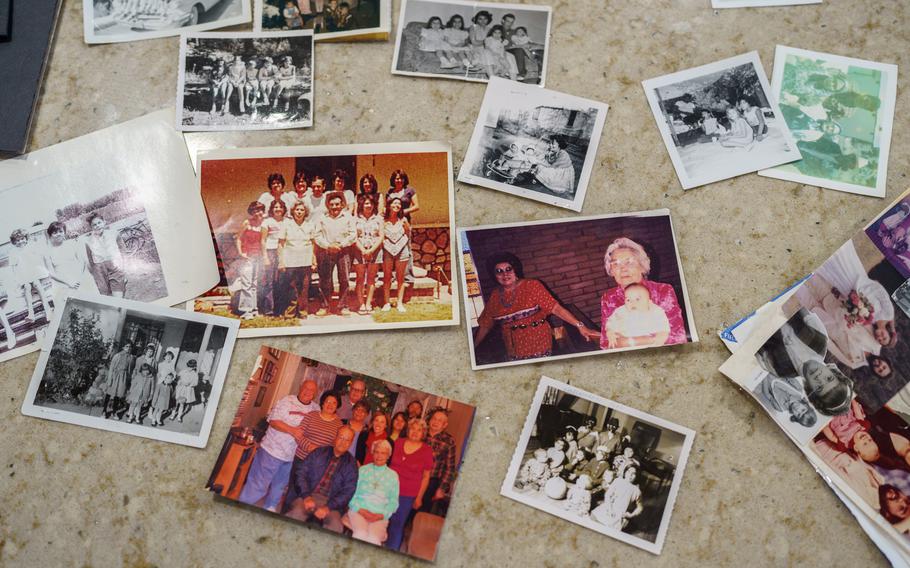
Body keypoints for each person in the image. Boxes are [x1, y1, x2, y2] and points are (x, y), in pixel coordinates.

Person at [473, 252, 599, 362]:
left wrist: (581, 326)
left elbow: (555, 308)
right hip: (512, 348)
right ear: (494, 275)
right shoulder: (495, 295)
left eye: (508, 269)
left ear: (515, 270)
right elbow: (485, 323)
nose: (505, 274)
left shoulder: (531, 286)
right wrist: (473, 347)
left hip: (538, 342)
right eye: (499, 271)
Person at [239, 379, 319, 512]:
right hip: (272, 450)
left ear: (315, 393)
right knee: (258, 485)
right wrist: (293, 431)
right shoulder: (286, 401)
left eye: (312, 390)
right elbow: (274, 421)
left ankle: (270, 507)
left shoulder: (316, 409)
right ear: (300, 388)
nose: (308, 392)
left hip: (293, 456)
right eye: (306, 388)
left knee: (280, 486)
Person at [600, 237, 688, 349]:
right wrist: (652, 339)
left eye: (629, 262)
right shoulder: (609, 297)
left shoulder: (662, 291)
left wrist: (628, 342)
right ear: (611, 271)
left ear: (642, 266)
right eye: (616, 264)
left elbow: (677, 339)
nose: (623, 269)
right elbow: (605, 343)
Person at [285, 426, 359, 532]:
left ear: (351, 443)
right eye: (341, 437)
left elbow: (348, 492)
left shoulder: (351, 465)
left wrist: (328, 507)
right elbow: (301, 473)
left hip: (331, 503)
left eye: (347, 440)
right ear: (335, 438)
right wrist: (306, 496)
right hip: (308, 495)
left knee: (335, 526)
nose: (343, 442)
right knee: (296, 514)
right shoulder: (319, 452)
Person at [284, 390, 345, 507]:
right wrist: (310, 447)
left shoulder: (339, 424)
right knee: (293, 490)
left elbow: (335, 447)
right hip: (301, 459)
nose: (330, 405)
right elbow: (298, 435)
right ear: (322, 403)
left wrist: (320, 453)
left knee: (307, 495)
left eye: (334, 403)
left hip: (319, 466)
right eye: (327, 401)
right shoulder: (311, 415)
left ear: (337, 406)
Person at [386, 418, 435, 551]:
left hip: (407, 495)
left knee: (397, 525)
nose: (415, 432)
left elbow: (426, 477)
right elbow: (387, 464)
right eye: (412, 428)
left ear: (423, 434)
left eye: (419, 430)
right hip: (388, 489)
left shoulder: (427, 451)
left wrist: (419, 498)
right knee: (382, 520)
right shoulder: (398, 443)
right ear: (408, 430)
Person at [346, 439, 400, 546]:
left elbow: (394, 502)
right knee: (360, 534)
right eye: (376, 452)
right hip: (359, 510)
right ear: (372, 453)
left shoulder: (393, 476)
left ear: (388, 455)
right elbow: (351, 493)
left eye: (383, 453)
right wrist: (360, 510)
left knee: (373, 539)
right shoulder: (363, 470)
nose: (379, 456)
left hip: (379, 515)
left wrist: (381, 515)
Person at [313, 192, 356, 316]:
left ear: (342, 204)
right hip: (326, 251)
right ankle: (325, 306)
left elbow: (353, 234)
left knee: (344, 279)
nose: (335, 207)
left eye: (337, 204)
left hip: (344, 251)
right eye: (331, 204)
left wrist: (341, 245)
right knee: (325, 280)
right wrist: (328, 246)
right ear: (327, 205)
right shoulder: (322, 218)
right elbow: (317, 235)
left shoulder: (348, 217)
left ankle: (343, 306)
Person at [604, 282, 671, 348]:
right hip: (625, 343)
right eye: (628, 300)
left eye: (637, 299)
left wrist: (661, 336)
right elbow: (611, 322)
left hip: (648, 344)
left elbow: (663, 326)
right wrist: (610, 332)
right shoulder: (621, 311)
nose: (632, 302)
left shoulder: (655, 311)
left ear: (649, 301)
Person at [279, 200, 314, 320]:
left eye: (302, 210)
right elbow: (281, 244)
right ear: (293, 211)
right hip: (290, 261)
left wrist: (314, 260)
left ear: (306, 212)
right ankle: (290, 312)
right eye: (297, 210)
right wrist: (281, 261)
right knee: (291, 287)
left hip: (306, 260)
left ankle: (303, 312)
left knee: (304, 288)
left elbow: (313, 244)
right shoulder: (286, 224)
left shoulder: (310, 225)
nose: (299, 212)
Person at [8, 229, 52, 323]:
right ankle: (31, 313)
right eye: (17, 240)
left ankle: (47, 309)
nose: (20, 242)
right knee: (27, 287)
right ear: (14, 242)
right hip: (23, 274)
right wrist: (17, 280)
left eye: (22, 239)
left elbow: (38, 260)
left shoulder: (31, 247)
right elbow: (14, 268)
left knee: (36, 284)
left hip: (34, 272)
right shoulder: (13, 253)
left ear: (26, 238)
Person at [234, 201, 267, 320]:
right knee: (246, 283)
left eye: (260, 210)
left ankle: (254, 309)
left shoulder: (263, 225)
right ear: (251, 212)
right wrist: (240, 252)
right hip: (247, 257)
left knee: (254, 284)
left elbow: (263, 242)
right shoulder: (247, 223)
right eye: (255, 210)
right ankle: (245, 310)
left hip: (258, 257)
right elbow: (238, 238)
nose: (258, 213)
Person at [421, 408, 457, 514]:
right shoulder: (420, 432)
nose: (435, 422)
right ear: (430, 420)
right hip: (413, 476)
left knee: (421, 512)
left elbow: (450, 468)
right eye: (434, 418)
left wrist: (441, 489)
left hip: (431, 481)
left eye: (440, 420)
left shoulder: (449, 441)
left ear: (445, 425)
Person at [84, 213, 127, 298]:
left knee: (118, 298)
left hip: (115, 269)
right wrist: (96, 276)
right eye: (94, 225)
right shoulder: (88, 241)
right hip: (100, 271)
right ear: (91, 227)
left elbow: (123, 250)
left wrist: (124, 268)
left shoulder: (114, 233)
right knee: (109, 298)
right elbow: (90, 260)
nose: (97, 226)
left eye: (99, 223)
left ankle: (121, 283)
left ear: (104, 222)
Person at [353, 195, 383, 314]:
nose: (368, 206)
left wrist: (371, 250)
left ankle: (368, 303)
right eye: (366, 203)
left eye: (370, 203)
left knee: (371, 279)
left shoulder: (378, 219)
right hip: (359, 251)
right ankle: (361, 304)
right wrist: (363, 250)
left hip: (375, 251)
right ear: (361, 205)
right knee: (360, 279)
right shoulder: (355, 219)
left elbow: (381, 236)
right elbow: (354, 237)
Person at [260, 199, 289, 317]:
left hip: (284, 252)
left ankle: (281, 309)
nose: (278, 209)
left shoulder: (287, 221)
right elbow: (263, 240)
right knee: (270, 282)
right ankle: (269, 310)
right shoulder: (267, 222)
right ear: (272, 209)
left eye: (280, 207)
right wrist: (265, 257)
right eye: (275, 207)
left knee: (282, 281)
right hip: (270, 251)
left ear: (284, 209)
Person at [381, 197, 411, 313]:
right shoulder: (383, 220)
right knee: (387, 277)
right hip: (387, 251)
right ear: (389, 205)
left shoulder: (403, 220)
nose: (396, 205)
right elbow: (381, 235)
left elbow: (408, 233)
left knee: (400, 278)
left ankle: (400, 303)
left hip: (402, 251)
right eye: (394, 203)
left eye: (399, 204)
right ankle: (386, 303)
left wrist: (401, 246)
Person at [43, 222, 89, 296]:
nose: (58, 234)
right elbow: (51, 273)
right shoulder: (47, 253)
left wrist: (78, 279)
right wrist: (68, 282)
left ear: (64, 232)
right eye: (55, 232)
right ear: (50, 235)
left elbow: (82, 262)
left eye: (61, 231)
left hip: (80, 280)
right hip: (63, 284)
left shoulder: (73, 244)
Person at [591, 466, 644, 530]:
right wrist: (609, 509)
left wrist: (631, 515)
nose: (630, 475)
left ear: (637, 476)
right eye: (629, 471)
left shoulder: (637, 491)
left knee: (608, 528)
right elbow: (608, 495)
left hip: (619, 515)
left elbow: (640, 507)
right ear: (625, 472)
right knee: (593, 519)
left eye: (633, 473)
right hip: (608, 507)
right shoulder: (618, 481)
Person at [103, 341, 134, 419]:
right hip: (115, 376)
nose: (128, 348)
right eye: (126, 346)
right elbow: (111, 368)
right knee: (109, 393)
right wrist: (110, 379)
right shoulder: (118, 355)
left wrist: (127, 380)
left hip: (123, 377)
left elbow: (129, 370)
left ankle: (114, 412)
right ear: (123, 347)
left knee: (118, 395)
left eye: (130, 347)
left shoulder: (130, 357)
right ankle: (104, 411)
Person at [149, 350, 176, 427]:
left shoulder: (171, 365)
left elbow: (173, 373)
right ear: (164, 357)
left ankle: (158, 418)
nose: (168, 358)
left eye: (170, 357)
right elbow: (158, 374)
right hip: (161, 382)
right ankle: (153, 416)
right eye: (167, 357)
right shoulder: (161, 364)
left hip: (168, 382)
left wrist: (171, 379)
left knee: (164, 401)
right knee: (157, 400)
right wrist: (159, 381)